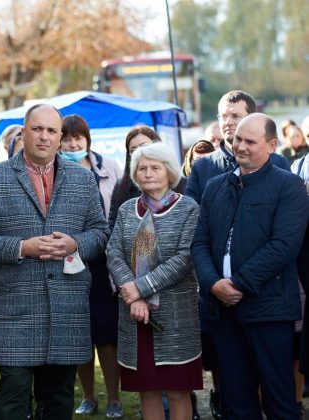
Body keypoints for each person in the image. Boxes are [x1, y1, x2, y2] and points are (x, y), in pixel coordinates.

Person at [0, 104, 109, 420]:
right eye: (37, 129)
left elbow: (100, 233)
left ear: (59, 137)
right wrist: (22, 248)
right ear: (24, 131)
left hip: (67, 307)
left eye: (51, 131)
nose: (44, 137)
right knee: (13, 398)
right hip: (16, 307)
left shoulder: (83, 179)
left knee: (59, 399)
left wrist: (75, 244)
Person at [191, 113, 309, 419]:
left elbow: (284, 245)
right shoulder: (216, 186)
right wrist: (213, 284)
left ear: (271, 145)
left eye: (250, 141)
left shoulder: (289, 187)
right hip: (223, 313)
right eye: (237, 139)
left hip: (269, 311)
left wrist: (238, 284)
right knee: (237, 404)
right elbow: (200, 242)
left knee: (280, 402)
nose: (240, 146)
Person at [107, 142, 202, 420]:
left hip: (175, 315)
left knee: (177, 389)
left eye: (155, 167)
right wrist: (134, 295)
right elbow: (113, 252)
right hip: (135, 316)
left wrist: (140, 287)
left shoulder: (188, 208)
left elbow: (185, 258)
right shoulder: (126, 210)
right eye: (142, 168)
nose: (148, 173)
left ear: (169, 171)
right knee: (147, 390)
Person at [58, 114, 123, 418]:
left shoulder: (107, 166)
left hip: (103, 262)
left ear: (88, 139)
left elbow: (120, 207)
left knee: (106, 334)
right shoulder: (54, 170)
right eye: (67, 138)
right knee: (79, 333)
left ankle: (113, 397)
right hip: (68, 260)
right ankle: (88, 396)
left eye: (78, 138)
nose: (73, 144)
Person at [186, 90, 290, 205]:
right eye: (223, 116)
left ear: (251, 118)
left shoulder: (278, 164)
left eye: (235, 116)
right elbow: (193, 215)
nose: (228, 122)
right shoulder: (202, 167)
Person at [108, 126, 186, 233]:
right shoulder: (122, 187)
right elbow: (112, 228)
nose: (139, 152)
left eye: (144, 146)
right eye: (133, 150)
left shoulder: (182, 185)